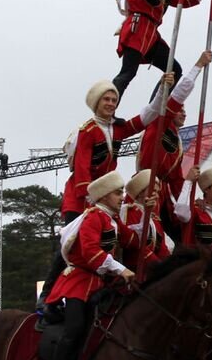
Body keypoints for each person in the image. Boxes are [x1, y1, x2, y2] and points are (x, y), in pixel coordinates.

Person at [37, 70, 199, 307]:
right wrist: (91, 205)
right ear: (96, 103)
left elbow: (148, 115)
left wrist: (163, 90)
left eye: (114, 100)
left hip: (105, 198)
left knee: (112, 241)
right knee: (71, 244)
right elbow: (82, 171)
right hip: (82, 197)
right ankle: (46, 297)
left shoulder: (116, 128)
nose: (111, 104)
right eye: (106, 99)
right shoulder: (88, 130)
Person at [41, 171, 136, 360]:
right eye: (117, 193)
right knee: (74, 329)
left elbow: (134, 241)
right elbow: (92, 254)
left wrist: (148, 212)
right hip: (79, 282)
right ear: (104, 196)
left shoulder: (113, 220)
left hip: (100, 284)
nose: (122, 197)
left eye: (122, 192)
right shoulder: (94, 217)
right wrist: (121, 269)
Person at [136, 49, 212, 238]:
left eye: (184, 110)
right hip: (147, 191)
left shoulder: (176, 141)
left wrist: (188, 198)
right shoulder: (159, 121)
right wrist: (199, 66)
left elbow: (177, 179)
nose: (183, 112)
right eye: (180, 109)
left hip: (165, 196)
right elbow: (178, 95)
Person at [117, 170, 171, 271]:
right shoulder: (131, 213)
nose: (157, 196)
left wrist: (169, 264)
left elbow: (162, 249)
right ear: (141, 192)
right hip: (135, 271)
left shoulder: (154, 219)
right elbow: (137, 247)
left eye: (157, 192)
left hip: (153, 271)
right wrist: (159, 266)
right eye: (153, 191)